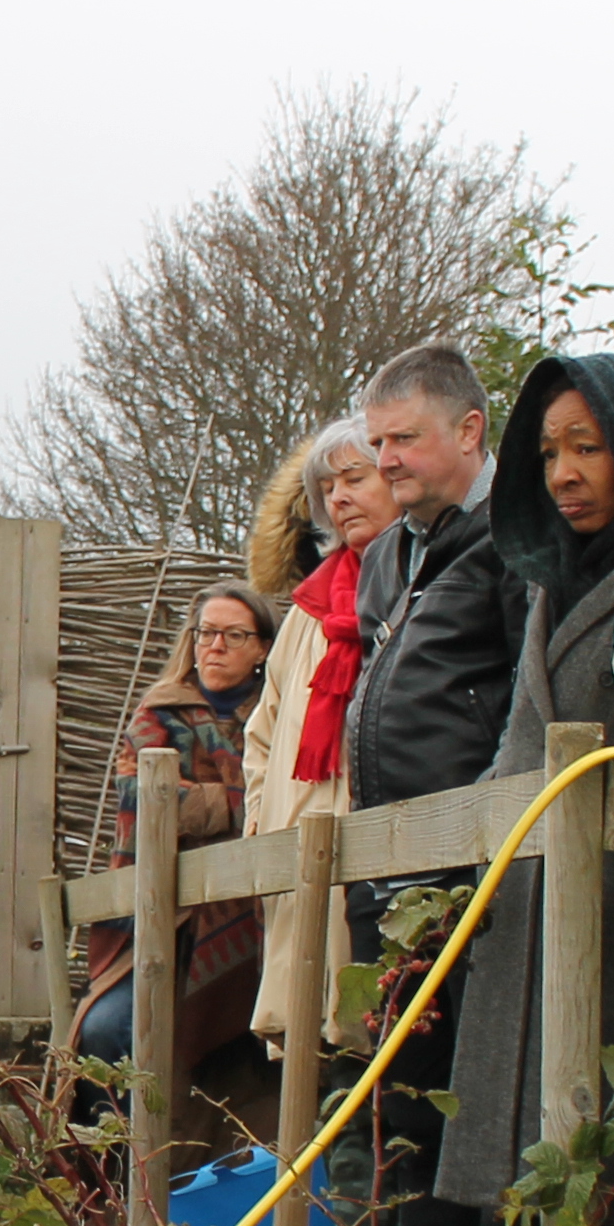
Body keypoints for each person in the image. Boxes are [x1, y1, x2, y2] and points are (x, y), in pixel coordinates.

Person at [438, 353, 614, 1215]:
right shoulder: (554, 576)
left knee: (608, 1179)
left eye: (587, 447)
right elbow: (522, 737)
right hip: (523, 901)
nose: (564, 475)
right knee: (519, 1188)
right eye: (550, 452)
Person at [330, 342, 515, 1226]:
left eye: (404, 439)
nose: (387, 459)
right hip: (383, 868)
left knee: (457, 1095)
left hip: (468, 866)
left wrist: (481, 832)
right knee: (389, 1092)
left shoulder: (514, 541)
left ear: (470, 431)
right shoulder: (389, 554)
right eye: (376, 442)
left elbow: (526, 698)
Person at [73, 579, 281, 1095]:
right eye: (206, 632)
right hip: (163, 918)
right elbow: (146, 797)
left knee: (257, 1050)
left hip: (262, 914)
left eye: (234, 635)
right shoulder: (157, 715)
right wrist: (238, 802)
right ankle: (112, 1169)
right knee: (105, 1033)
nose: (215, 646)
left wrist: (212, 800)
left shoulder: (281, 716)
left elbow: (286, 796)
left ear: (262, 648)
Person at [242, 418, 396, 1055]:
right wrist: (259, 818)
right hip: (299, 853)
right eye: (327, 486)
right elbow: (265, 732)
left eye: (354, 479)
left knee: (373, 1037)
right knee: (309, 1041)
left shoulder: (414, 591)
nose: (338, 498)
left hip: (376, 855)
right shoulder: (308, 611)